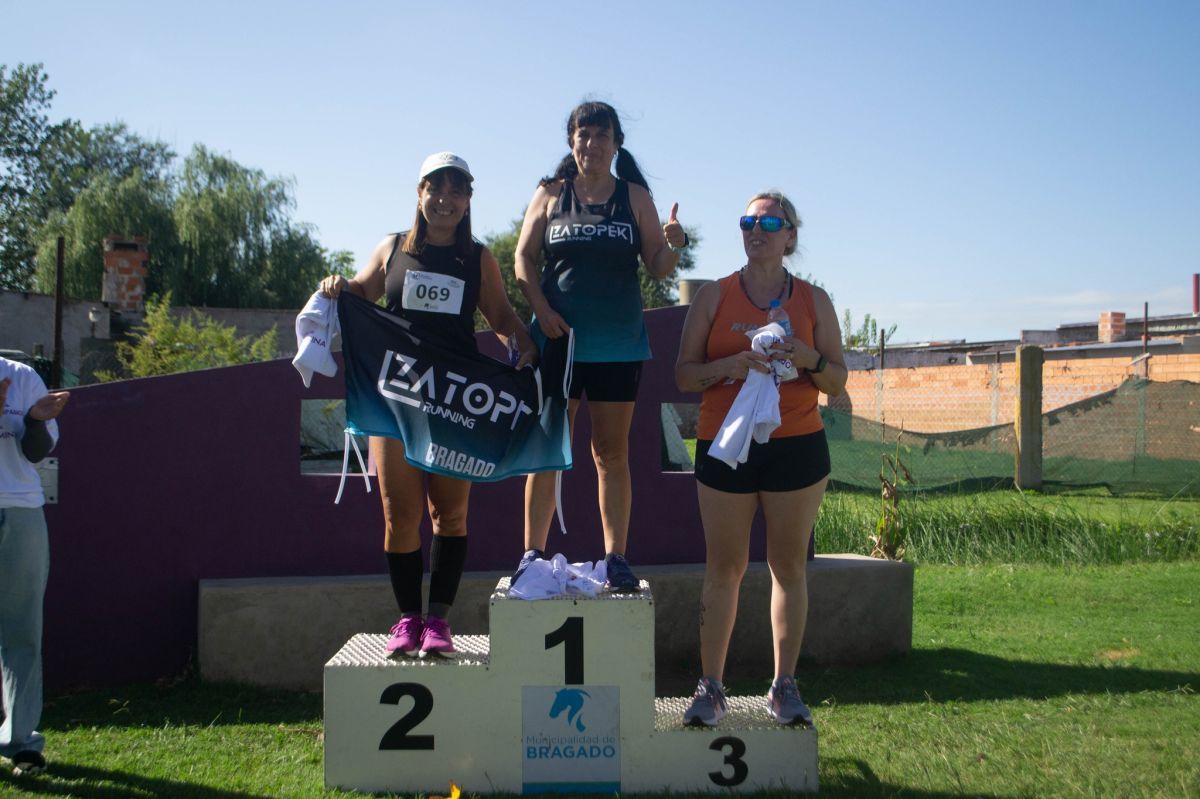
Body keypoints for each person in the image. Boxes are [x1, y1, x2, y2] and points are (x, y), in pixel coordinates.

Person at [320, 152, 536, 658]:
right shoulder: (392, 248)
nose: (444, 199)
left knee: (450, 514)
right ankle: (406, 619)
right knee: (399, 512)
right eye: (435, 189)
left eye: (456, 191)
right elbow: (361, 292)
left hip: (452, 404)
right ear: (419, 194)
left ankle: (438, 620)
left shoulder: (477, 258)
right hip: (395, 400)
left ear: (467, 202)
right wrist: (338, 288)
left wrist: (526, 347)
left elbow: (501, 316)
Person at [674, 191, 846, 727]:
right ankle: (711, 688)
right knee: (723, 568)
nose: (758, 229)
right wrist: (732, 363)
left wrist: (807, 356)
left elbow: (836, 380)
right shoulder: (714, 296)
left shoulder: (814, 301)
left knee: (788, 567)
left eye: (770, 221)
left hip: (796, 444)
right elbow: (684, 375)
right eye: (748, 220)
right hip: (726, 444)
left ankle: (783, 686)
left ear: (790, 236)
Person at [512, 101, 687, 592]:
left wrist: (673, 243)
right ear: (572, 141)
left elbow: (657, 265)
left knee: (610, 454)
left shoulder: (634, 197)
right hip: (558, 344)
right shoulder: (550, 193)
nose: (591, 144)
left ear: (616, 143)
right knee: (548, 451)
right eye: (583, 135)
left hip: (618, 346)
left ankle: (615, 558)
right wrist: (542, 311)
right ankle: (531, 555)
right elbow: (523, 259)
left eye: (601, 135)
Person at [1, 356, 69, 776]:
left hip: (21, 512)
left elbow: (35, 454)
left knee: (22, 631)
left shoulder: (23, 377)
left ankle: (21, 742)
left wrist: (36, 420)